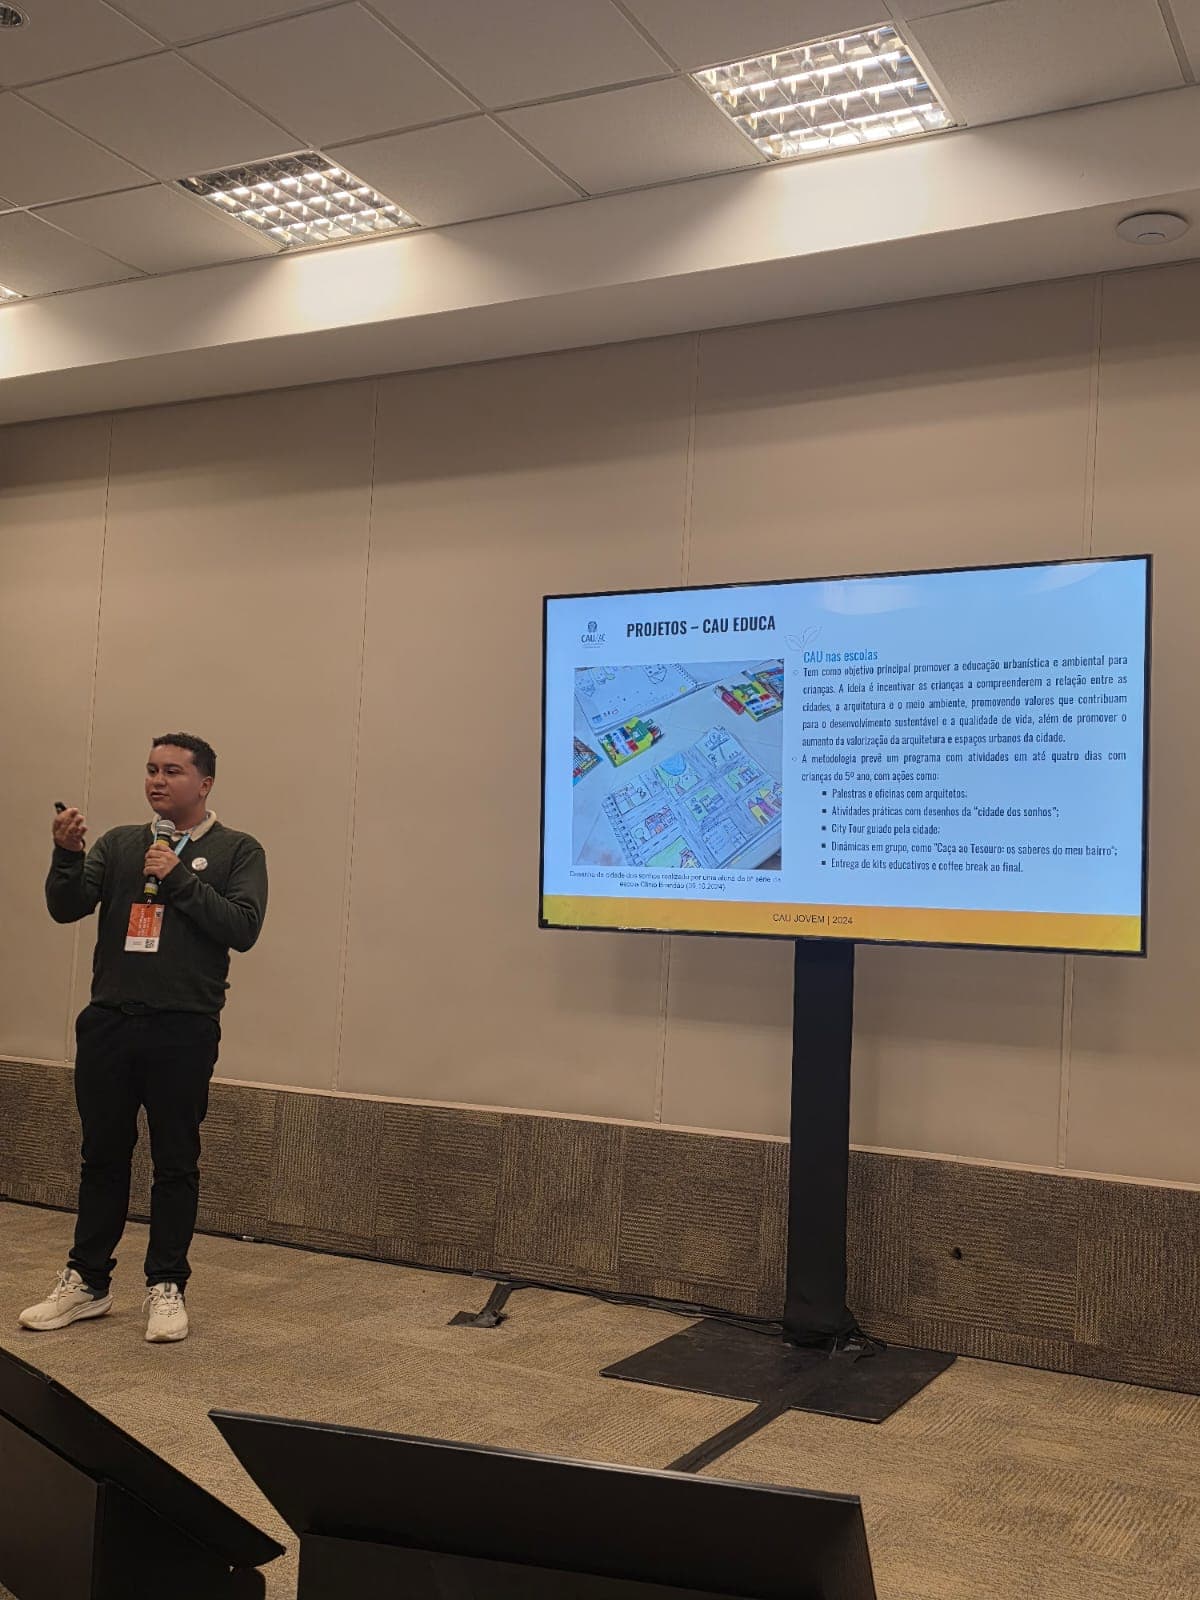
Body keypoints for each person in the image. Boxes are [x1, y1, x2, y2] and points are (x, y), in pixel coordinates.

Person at [19, 734, 267, 1344]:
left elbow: (243, 927)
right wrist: (67, 855)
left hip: (183, 1027)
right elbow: (66, 906)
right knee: (102, 1156)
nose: (158, 780)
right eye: (152, 769)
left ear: (204, 783)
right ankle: (87, 1282)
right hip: (109, 1022)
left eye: (173, 771)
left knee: (174, 1161)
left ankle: (166, 1285)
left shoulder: (237, 849)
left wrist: (178, 877)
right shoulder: (122, 843)